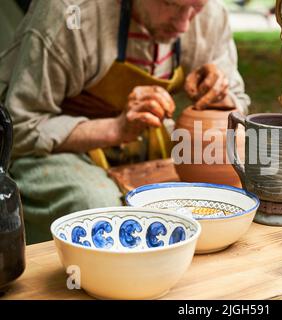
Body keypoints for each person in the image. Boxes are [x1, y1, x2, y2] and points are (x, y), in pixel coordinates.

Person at [0, 0, 250, 244]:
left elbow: (237, 111)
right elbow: (20, 127)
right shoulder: (69, 14)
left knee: (218, 195)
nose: (184, 24)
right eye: (170, 5)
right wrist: (116, 128)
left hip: (146, 136)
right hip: (54, 145)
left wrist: (220, 94)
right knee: (100, 212)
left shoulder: (211, 15)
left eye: (195, 7)